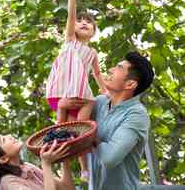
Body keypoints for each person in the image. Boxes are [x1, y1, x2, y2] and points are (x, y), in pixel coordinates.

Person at [58, 51, 155, 190]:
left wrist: (87, 134)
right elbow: (66, 135)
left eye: (119, 68)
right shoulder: (99, 102)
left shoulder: (137, 115)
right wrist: (62, 108)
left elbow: (109, 158)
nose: (110, 70)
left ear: (130, 84)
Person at [46, 0, 103, 181]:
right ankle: (61, 154)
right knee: (66, 128)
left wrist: (105, 90)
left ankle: (84, 168)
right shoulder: (70, 41)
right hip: (63, 91)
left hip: (80, 93)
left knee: (78, 128)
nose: (83, 23)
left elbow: (97, 74)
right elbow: (70, 15)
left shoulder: (92, 52)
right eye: (80, 21)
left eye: (89, 22)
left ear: (94, 32)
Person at [0, 133, 75, 190]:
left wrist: (64, 158)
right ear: (3, 159)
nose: (9, 136)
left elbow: (67, 188)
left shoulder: (27, 167)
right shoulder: (9, 183)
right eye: (3, 140)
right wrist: (46, 164)